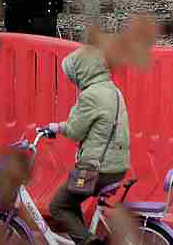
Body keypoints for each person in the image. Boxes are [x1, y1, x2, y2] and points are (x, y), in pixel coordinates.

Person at [46, 47, 130, 245]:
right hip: (117, 168)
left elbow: (75, 131)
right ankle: (84, 238)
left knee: (58, 206)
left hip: (94, 172)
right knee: (71, 201)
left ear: (83, 71)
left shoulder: (91, 95)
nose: (73, 81)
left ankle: (87, 242)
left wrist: (57, 127)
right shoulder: (113, 90)